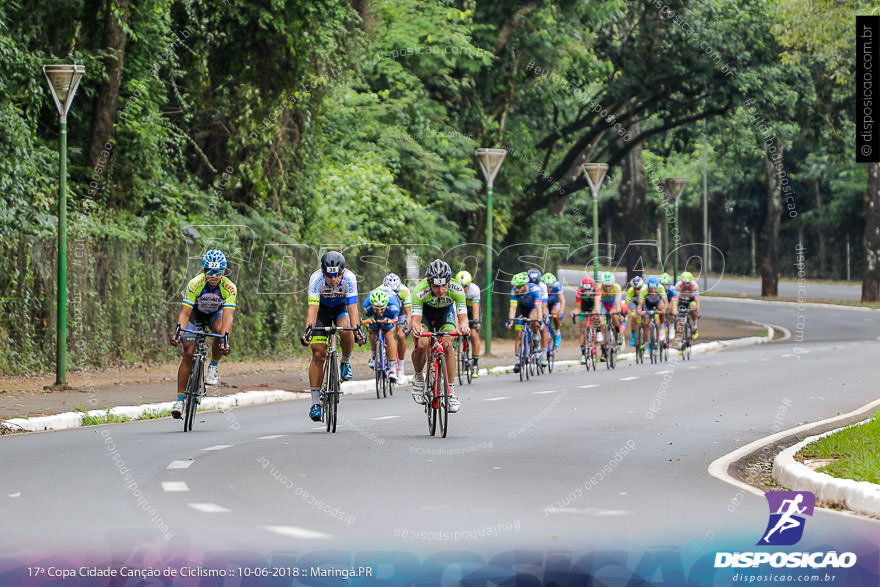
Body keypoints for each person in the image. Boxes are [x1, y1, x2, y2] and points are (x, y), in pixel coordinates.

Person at [169, 249, 235, 419]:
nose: (214, 276)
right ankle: (180, 400)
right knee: (188, 352)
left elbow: (228, 316)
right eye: (210, 271)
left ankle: (213, 366)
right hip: (196, 316)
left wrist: (225, 341)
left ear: (224, 271)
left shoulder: (229, 288)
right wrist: (178, 332)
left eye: (218, 272)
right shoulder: (195, 283)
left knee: (220, 332)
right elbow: (185, 313)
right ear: (204, 271)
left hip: (215, 316)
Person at [300, 251, 364, 422]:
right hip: (321, 312)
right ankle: (315, 403)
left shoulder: (350, 279)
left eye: (337, 275)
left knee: (346, 328)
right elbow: (312, 310)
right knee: (318, 353)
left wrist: (357, 329)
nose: (333, 279)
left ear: (343, 272)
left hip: (341, 309)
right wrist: (308, 330)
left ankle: (345, 362)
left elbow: (353, 309)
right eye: (329, 275)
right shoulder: (316, 280)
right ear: (323, 273)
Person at [410, 259, 469, 413]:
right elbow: (415, 321)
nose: (441, 290)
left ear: (449, 281)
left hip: (446, 314)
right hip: (425, 315)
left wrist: (463, 326)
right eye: (436, 286)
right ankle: (418, 378)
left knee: (448, 345)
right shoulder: (419, 290)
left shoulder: (457, 288)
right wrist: (416, 328)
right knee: (422, 344)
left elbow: (463, 318)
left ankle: (450, 393)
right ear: (429, 283)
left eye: (444, 285)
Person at [506, 272, 544, 372]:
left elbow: (539, 307)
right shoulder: (514, 291)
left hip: (533, 309)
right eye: (515, 287)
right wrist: (511, 320)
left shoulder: (535, 290)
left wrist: (540, 320)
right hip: (521, 310)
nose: (516, 289)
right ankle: (517, 360)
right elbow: (513, 307)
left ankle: (535, 335)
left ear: (526, 285)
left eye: (519, 287)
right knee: (518, 334)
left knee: (533, 319)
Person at [362, 288, 399, 383]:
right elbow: (367, 317)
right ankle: (374, 356)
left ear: (386, 305)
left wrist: (389, 320)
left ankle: (392, 368)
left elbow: (395, 320)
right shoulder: (367, 306)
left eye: (382, 308)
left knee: (389, 334)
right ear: (372, 306)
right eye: (376, 309)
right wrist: (369, 322)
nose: (379, 311)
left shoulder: (393, 306)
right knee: (372, 330)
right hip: (374, 318)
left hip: (389, 316)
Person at [382, 273, 411, 378]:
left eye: (395, 291)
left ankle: (401, 368)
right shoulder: (380, 289)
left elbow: (408, 313)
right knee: (386, 331)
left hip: (401, 311)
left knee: (400, 335)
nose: (393, 293)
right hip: (387, 310)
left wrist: (406, 324)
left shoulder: (404, 291)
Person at [456, 270, 482, 377]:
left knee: (474, 334)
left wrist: (475, 321)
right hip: (459, 310)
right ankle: (457, 351)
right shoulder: (454, 290)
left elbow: (476, 308)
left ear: (469, 284)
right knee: (456, 331)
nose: (463, 289)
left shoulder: (474, 289)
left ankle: (475, 363)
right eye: (460, 286)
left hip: (471, 311)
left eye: (465, 286)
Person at [572, 276, 600, 364]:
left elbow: (597, 306)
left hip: (594, 303)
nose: (587, 292)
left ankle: (598, 332)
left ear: (592, 287)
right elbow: (578, 308)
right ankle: (583, 354)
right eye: (585, 290)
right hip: (584, 306)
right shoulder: (579, 291)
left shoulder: (597, 289)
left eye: (589, 290)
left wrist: (595, 312)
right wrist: (573, 313)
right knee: (582, 328)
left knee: (596, 315)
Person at [636, 275, 667, 351]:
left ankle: (662, 328)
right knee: (646, 323)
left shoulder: (660, 287)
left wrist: (664, 309)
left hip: (657, 301)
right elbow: (640, 304)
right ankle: (646, 344)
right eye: (651, 288)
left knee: (661, 309)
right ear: (648, 286)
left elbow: (666, 302)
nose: (653, 290)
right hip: (648, 303)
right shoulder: (643, 289)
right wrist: (639, 311)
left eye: (654, 288)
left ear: (657, 286)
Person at [527, 268, 549, 360]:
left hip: (539, 304)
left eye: (536, 283)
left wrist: (543, 316)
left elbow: (543, 304)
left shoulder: (543, 286)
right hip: (528, 304)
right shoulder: (525, 286)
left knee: (543, 325)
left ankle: (544, 352)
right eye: (531, 283)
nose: (534, 285)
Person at [675, 271, 701, 344]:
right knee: (681, 320)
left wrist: (698, 311)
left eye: (688, 283)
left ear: (691, 281)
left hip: (690, 300)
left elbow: (697, 299)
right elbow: (675, 299)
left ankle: (695, 326)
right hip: (681, 301)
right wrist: (675, 309)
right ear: (682, 281)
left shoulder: (694, 286)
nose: (686, 285)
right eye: (684, 283)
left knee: (693, 308)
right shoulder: (678, 285)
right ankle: (679, 341)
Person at [598, 271, 623, 345]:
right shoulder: (599, 287)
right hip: (603, 304)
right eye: (605, 286)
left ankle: (618, 333)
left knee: (614, 315)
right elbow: (597, 302)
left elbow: (618, 303)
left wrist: (618, 313)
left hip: (613, 304)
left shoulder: (617, 287)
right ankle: (603, 350)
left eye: (609, 286)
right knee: (602, 325)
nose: (607, 288)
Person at [542, 272, 565, 349]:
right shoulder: (540, 287)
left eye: (550, 287)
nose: (548, 289)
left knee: (554, 313)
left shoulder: (557, 286)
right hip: (544, 304)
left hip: (555, 303)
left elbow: (562, 300)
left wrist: (561, 312)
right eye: (546, 287)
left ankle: (557, 332)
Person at [625, 275, 645, 347]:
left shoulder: (645, 289)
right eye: (635, 289)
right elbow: (627, 304)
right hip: (635, 304)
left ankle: (648, 341)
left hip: (645, 304)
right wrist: (628, 311)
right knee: (634, 316)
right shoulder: (630, 291)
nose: (637, 291)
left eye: (639, 289)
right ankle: (633, 337)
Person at [659, 272, 678, 341]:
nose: (664, 286)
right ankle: (661, 327)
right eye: (663, 284)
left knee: (672, 304)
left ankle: (672, 325)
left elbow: (675, 302)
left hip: (670, 303)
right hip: (662, 302)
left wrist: (674, 313)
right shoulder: (658, 288)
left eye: (666, 284)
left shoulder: (672, 289)